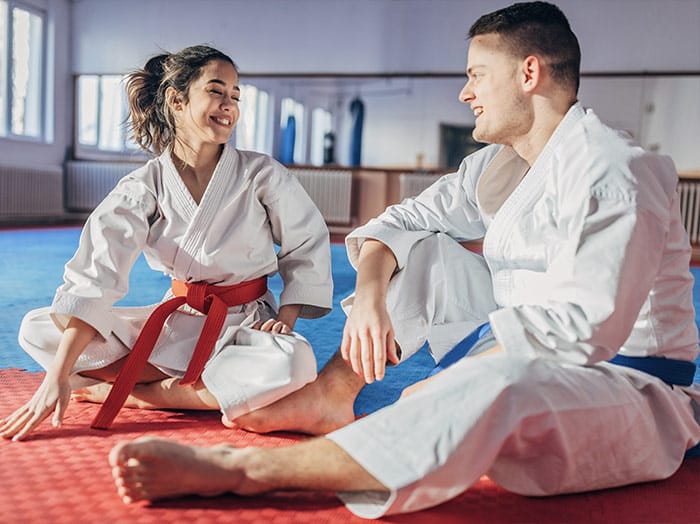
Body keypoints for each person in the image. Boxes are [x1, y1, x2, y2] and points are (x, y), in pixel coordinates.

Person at [107, 2, 700, 519]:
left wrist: (451, 385)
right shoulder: (497, 166)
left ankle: (245, 473)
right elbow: (394, 225)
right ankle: (333, 393)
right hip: (535, 345)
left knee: (502, 386)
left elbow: (580, 334)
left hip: (626, 385)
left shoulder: (613, 171)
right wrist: (368, 296)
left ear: (528, 73)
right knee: (427, 255)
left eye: (476, 75)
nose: (465, 93)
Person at [0, 45, 332, 442]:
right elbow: (95, 277)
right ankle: (195, 390)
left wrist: (288, 318)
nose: (229, 105)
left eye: (236, 95)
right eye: (216, 90)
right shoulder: (143, 187)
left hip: (245, 322)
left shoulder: (261, 174)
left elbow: (306, 243)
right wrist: (53, 378)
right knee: (37, 329)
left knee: (295, 364)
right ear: (176, 100)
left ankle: (135, 395)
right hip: (177, 318)